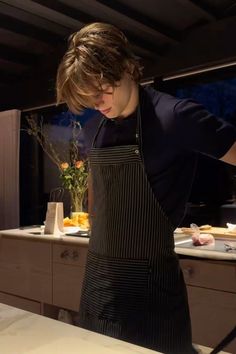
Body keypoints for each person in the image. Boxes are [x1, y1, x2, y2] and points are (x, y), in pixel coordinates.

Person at [56, 22, 236, 354]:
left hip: (151, 290)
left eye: (102, 90)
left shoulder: (175, 117)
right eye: (87, 96)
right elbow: (99, 196)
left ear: (126, 66)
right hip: (98, 283)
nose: (97, 102)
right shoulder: (97, 127)